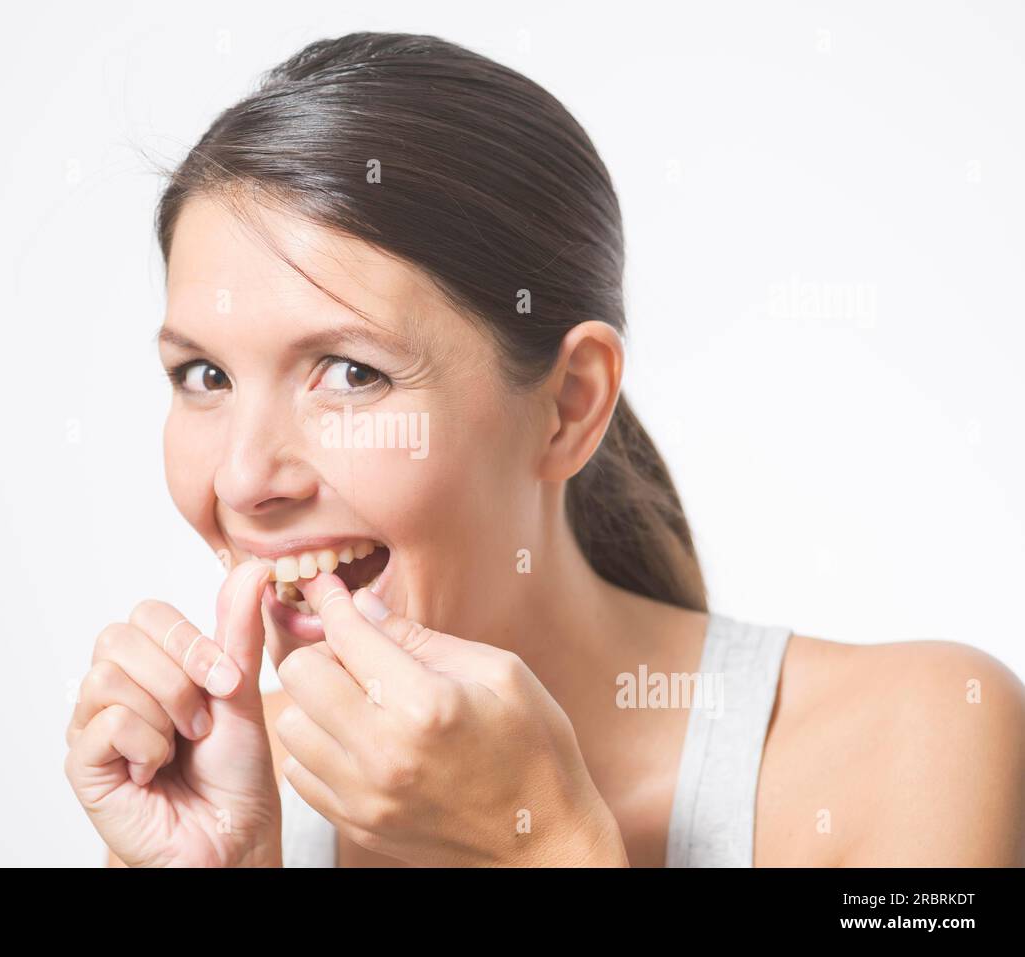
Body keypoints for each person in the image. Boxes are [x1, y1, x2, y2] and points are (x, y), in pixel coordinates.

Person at [64, 32, 1025, 867]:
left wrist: (542, 848)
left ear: (569, 404)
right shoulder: (226, 791)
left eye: (351, 373)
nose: (241, 479)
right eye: (205, 376)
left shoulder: (925, 738)